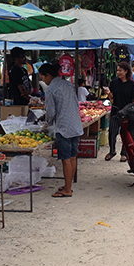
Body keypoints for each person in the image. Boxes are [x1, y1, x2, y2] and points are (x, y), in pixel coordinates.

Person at [38, 63, 83, 198]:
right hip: (75, 124)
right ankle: (68, 184)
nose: (43, 81)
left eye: (42, 77)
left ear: (48, 75)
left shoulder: (51, 89)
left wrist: (47, 124)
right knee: (73, 156)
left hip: (63, 127)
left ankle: (67, 189)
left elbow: (51, 112)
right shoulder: (68, 85)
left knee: (65, 159)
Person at [105, 61, 134, 162]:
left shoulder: (132, 85)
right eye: (117, 70)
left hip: (127, 113)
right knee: (112, 132)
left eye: (120, 70)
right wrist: (108, 93)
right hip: (115, 112)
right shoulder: (114, 83)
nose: (118, 72)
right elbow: (112, 99)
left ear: (126, 71)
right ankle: (112, 151)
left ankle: (124, 153)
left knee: (125, 133)